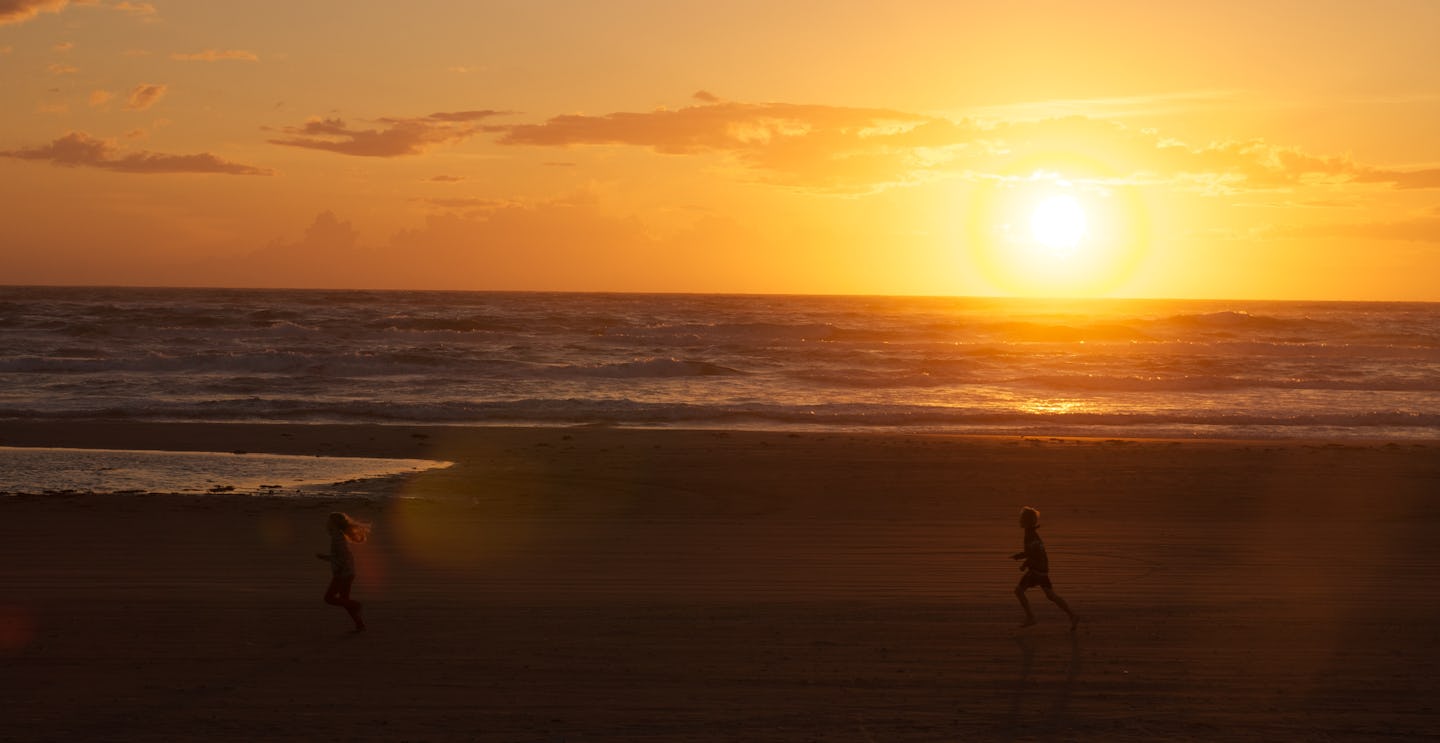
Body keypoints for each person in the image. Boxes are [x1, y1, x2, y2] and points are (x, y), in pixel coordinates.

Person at [1011, 506, 1079, 630]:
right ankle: (1072, 615)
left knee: (1019, 591)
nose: (1019, 520)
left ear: (1026, 521)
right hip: (1042, 570)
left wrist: (1024, 564)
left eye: (1021, 518)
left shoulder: (1030, 535)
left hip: (1036, 570)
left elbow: (1033, 555)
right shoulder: (1031, 533)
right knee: (1051, 595)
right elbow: (1032, 552)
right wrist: (1019, 556)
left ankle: (1031, 617)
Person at [316, 512, 370, 632]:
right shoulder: (337, 536)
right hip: (347, 572)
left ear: (333, 524)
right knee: (344, 600)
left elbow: (343, 557)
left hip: (343, 574)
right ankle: (360, 625)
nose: (327, 524)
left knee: (329, 598)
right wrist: (325, 557)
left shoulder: (337, 538)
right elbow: (341, 556)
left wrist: (340, 570)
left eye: (329, 522)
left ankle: (356, 605)